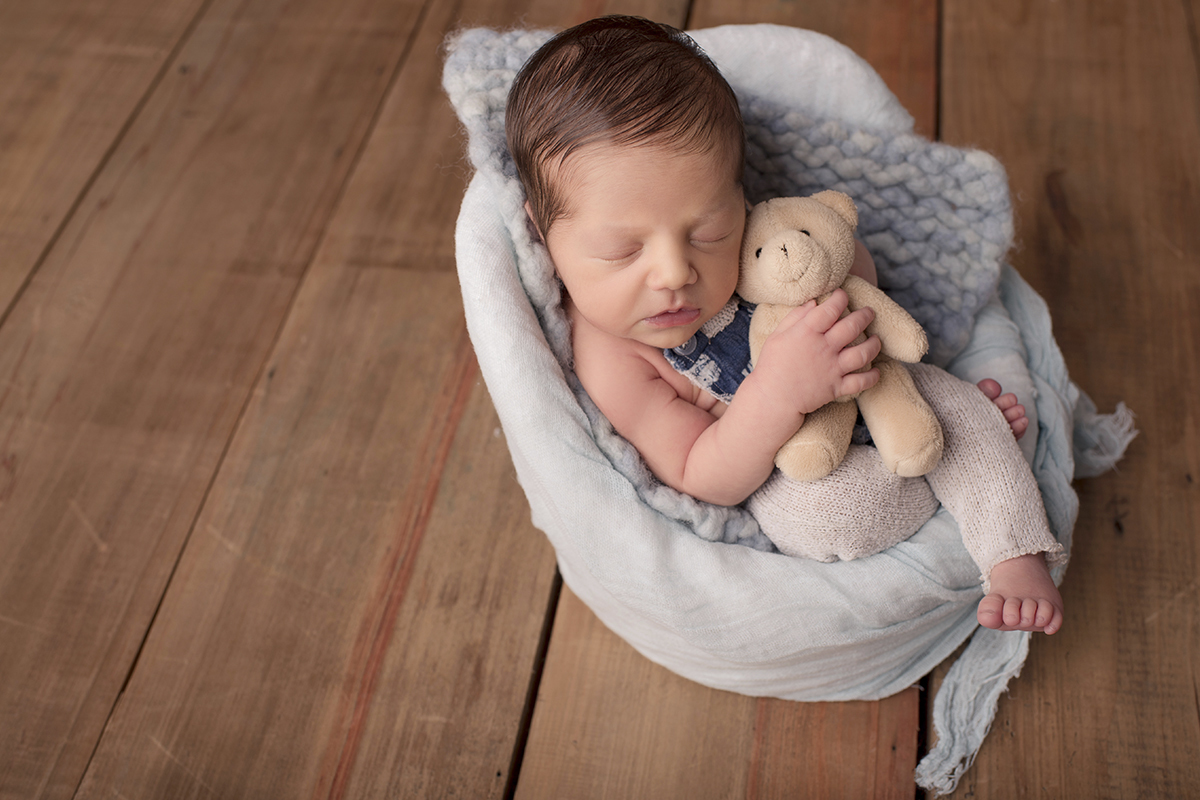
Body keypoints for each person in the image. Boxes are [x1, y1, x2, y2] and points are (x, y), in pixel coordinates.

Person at [505, 15, 1065, 634]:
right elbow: (700, 472)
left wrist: (838, 272)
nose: (674, 272)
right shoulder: (611, 355)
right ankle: (944, 474)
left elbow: (851, 269)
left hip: (874, 384)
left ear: (738, 199)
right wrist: (777, 392)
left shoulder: (758, 236)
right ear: (541, 230)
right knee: (825, 514)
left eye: (707, 232)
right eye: (621, 251)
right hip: (788, 467)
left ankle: (1015, 553)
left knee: (957, 412)